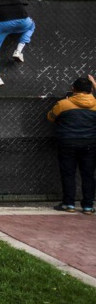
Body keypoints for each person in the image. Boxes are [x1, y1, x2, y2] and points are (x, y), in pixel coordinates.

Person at [47, 77, 96, 214]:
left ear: (73, 89)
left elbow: (50, 117)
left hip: (67, 142)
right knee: (88, 175)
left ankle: (69, 204)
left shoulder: (63, 104)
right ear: (91, 90)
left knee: (68, 174)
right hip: (90, 143)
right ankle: (88, 206)